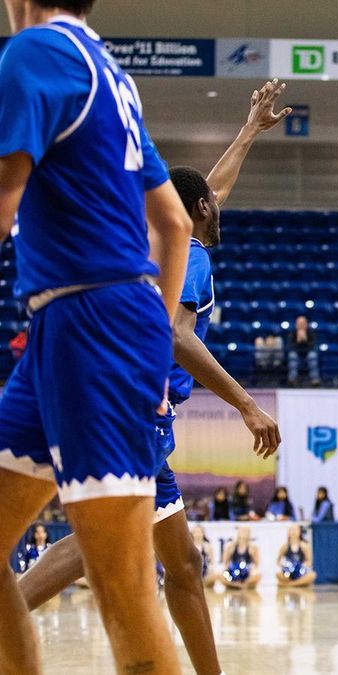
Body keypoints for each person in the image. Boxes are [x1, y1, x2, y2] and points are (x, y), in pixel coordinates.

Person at [6, 70, 286, 674]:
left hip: (115, 399)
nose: (219, 198)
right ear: (203, 213)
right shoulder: (194, 259)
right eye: (212, 202)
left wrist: (248, 131)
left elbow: (209, 188)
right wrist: (245, 403)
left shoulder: (173, 236)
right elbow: (177, 333)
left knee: (176, 561)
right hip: (137, 408)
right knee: (105, 540)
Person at [0, 2, 193, 671]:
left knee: (123, 589)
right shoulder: (109, 70)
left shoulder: (35, 52)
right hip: (73, 322)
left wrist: (139, 341)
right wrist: (154, 339)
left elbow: (4, 197)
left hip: (95, 322)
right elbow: (175, 223)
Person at [287, 315, 321, 386]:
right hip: (296, 352)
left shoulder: (311, 332)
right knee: (292, 355)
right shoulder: (292, 333)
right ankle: (292, 379)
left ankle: (314, 380)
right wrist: (298, 341)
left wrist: (305, 340)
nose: (301, 325)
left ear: (306, 324)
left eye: (303, 323)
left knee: (312, 356)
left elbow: (313, 346)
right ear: (296, 324)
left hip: (308, 352)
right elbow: (290, 346)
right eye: (299, 323)